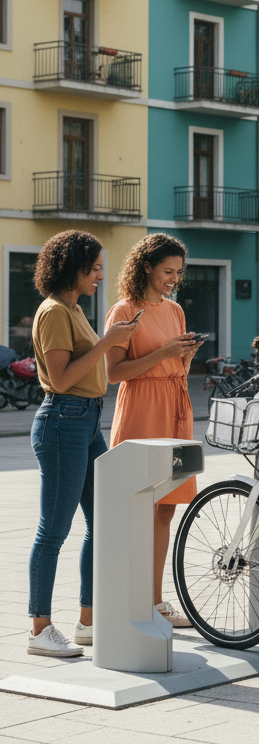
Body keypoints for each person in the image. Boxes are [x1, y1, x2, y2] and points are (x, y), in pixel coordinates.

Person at [27, 231, 139, 656]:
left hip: (87, 422)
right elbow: (60, 379)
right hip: (63, 422)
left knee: (103, 520)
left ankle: (88, 621)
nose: (99, 276)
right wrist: (108, 342)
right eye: (93, 269)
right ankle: (40, 629)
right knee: (53, 530)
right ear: (72, 268)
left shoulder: (74, 309)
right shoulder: (55, 312)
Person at [105, 234, 199, 629]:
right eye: (168, 271)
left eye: (178, 272)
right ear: (146, 267)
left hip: (175, 405)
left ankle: (156, 600)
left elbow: (175, 367)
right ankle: (130, 599)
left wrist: (185, 357)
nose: (174, 278)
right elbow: (114, 374)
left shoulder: (175, 310)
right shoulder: (124, 310)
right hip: (142, 408)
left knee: (167, 507)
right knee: (138, 507)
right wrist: (164, 354)